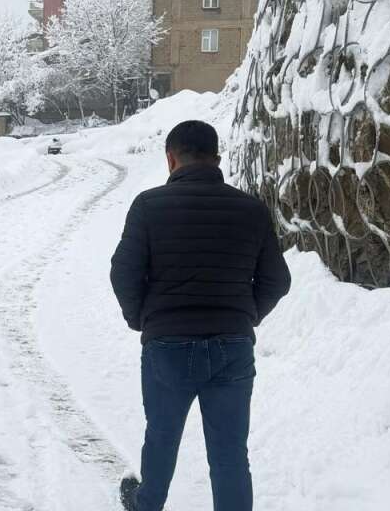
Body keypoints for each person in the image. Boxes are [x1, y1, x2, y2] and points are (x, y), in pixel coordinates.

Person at [110, 120, 291, 511]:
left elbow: (122, 272)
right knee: (229, 454)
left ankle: (146, 505)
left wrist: (142, 319)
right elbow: (277, 279)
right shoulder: (252, 209)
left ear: (171, 159)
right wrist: (245, 316)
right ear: (217, 159)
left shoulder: (147, 205)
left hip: (167, 345)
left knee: (161, 438)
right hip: (232, 347)